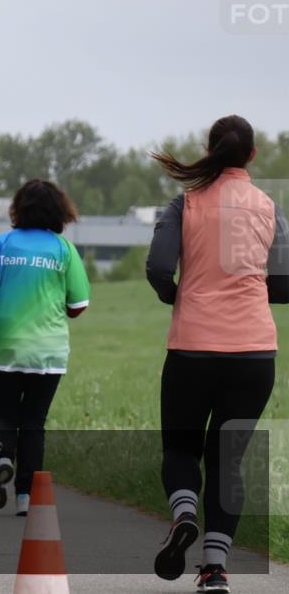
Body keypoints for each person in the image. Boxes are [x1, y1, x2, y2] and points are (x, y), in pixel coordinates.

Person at [146, 115, 288, 592]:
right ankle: (214, 571)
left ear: (210, 150)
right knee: (227, 460)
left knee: (182, 450)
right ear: (251, 156)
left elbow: (159, 267)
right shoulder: (270, 207)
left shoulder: (184, 203)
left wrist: (179, 297)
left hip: (193, 349)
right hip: (253, 354)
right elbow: (285, 283)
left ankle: (184, 514)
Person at [0, 179, 90, 517]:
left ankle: (4, 459)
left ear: (18, 209)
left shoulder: (4, 243)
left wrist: (8, 295)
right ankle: (24, 497)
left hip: (6, 346)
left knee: (3, 414)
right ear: (60, 212)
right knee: (34, 422)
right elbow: (78, 304)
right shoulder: (64, 249)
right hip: (49, 351)